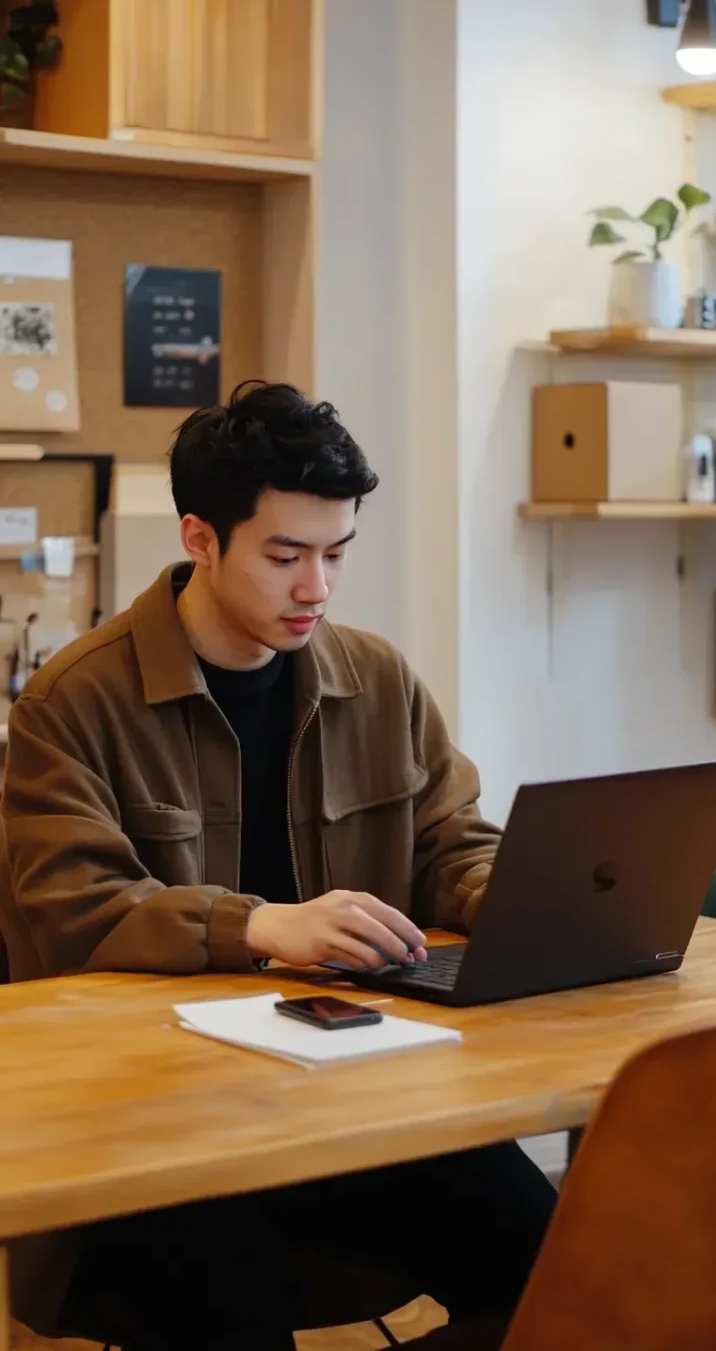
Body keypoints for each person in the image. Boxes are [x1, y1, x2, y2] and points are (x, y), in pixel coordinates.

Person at [0, 382, 555, 1350]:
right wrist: (260, 924)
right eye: (286, 555)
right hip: (147, 1125)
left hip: (355, 1099)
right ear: (201, 539)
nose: (317, 588)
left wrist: (532, 897)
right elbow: (73, 910)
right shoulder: (73, 700)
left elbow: (450, 840)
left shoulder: (378, 679)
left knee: (555, 1250)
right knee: (231, 1294)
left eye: (336, 553)